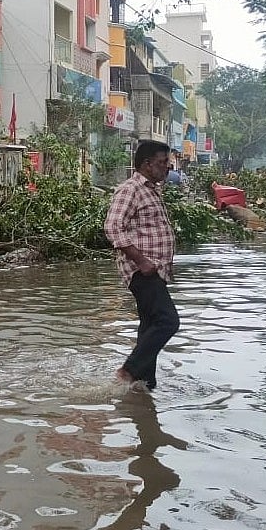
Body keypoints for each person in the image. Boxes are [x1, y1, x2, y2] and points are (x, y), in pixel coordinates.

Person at [104, 140, 180, 391]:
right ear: (147, 164)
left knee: (150, 326)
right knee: (168, 321)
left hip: (155, 270)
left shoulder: (152, 190)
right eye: (162, 162)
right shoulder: (131, 189)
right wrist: (141, 260)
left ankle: (143, 386)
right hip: (142, 270)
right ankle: (128, 371)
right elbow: (112, 227)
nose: (167, 167)